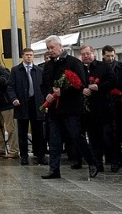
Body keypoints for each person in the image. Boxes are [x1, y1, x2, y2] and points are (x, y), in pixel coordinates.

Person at [40, 35, 97, 179]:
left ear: (60, 46)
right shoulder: (48, 65)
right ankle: (54, 169)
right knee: (54, 139)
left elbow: (80, 84)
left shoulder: (73, 62)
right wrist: (47, 94)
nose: (50, 51)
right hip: (54, 109)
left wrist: (62, 92)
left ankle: (92, 163)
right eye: (48, 48)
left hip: (71, 107)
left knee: (77, 136)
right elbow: (44, 83)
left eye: (52, 48)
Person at [79, 45, 120, 172]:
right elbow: (75, 84)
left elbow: (114, 81)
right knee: (93, 137)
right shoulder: (80, 68)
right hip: (89, 109)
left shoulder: (103, 66)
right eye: (83, 54)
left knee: (108, 136)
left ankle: (114, 161)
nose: (86, 56)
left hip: (104, 107)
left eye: (88, 53)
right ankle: (97, 163)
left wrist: (99, 87)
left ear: (93, 54)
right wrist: (82, 90)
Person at [7, 48, 47, 166]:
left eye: (31, 55)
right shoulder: (16, 70)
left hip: (37, 103)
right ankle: (24, 155)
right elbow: (10, 86)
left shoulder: (39, 70)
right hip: (22, 103)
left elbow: (44, 87)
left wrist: (45, 102)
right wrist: (14, 98)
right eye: (27, 55)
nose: (29, 57)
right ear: (22, 56)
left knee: (38, 131)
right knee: (23, 131)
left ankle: (40, 155)